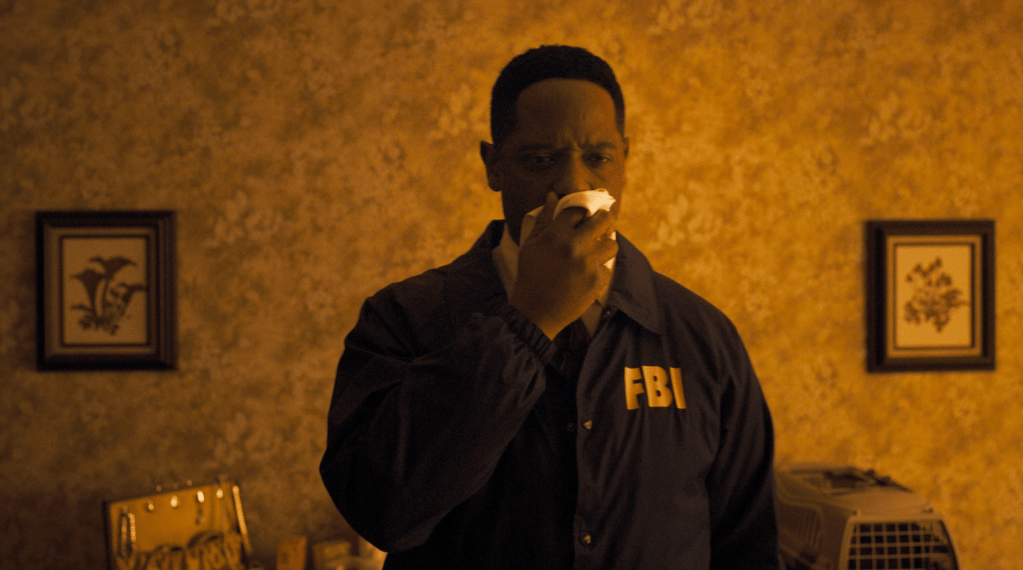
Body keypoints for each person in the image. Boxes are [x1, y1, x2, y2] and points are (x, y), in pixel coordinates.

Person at [320, 45, 780, 569]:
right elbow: (380, 512)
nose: (574, 185)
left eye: (598, 158)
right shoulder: (407, 318)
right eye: (540, 160)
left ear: (625, 161)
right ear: (493, 165)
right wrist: (529, 321)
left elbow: (749, 546)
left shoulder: (701, 336)